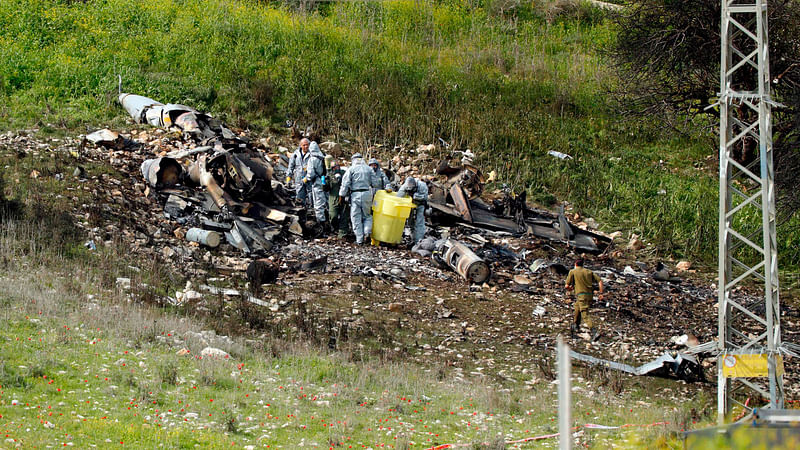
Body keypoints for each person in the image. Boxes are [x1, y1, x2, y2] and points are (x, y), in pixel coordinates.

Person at [339, 153, 381, 245]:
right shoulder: (369, 169)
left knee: (355, 217)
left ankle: (359, 240)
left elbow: (345, 184)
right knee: (367, 216)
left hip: (355, 194)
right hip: (367, 193)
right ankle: (367, 232)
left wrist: (342, 195)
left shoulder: (351, 169)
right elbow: (375, 183)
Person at [565, 258, 604, 341]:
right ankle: (576, 326)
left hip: (581, 295)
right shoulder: (589, 272)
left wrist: (570, 289)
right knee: (577, 308)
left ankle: (594, 331)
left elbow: (567, 286)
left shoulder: (573, 271)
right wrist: (601, 293)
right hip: (589, 295)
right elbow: (600, 281)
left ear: (575, 264)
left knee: (584, 314)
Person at [396, 176, 428, 244]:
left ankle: (418, 241)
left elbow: (424, 197)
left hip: (420, 205)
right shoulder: (404, 186)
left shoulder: (422, 185)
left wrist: (414, 196)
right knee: (409, 222)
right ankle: (412, 238)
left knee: (419, 223)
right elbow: (398, 197)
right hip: (410, 205)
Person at [304, 141, 328, 228]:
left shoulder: (312, 159)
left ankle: (321, 224)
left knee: (318, 203)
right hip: (324, 181)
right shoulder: (323, 157)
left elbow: (310, 174)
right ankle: (329, 221)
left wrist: (306, 179)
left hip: (317, 182)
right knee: (325, 201)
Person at [326, 159, 350, 238]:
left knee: (344, 216)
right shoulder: (329, 176)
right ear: (331, 168)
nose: (336, 169)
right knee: (333, 216)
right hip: (333, 198)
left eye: (337, 166)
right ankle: (335, 228)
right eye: (334, 167)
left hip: (344, 198)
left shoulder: (344, 174)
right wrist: (324, 182)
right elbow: (326, 189)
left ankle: (342, 234)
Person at [286, 138, 311, 205]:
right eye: (304, 145)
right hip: (299, 181)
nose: (306, 146)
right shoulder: (296, 155)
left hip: (310, 181)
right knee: (300, 200)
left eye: (307, 145)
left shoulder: (312, 154)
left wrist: (307, 178)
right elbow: (290, 167)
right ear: (300, 145)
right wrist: (288, 179)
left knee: (312, 200)